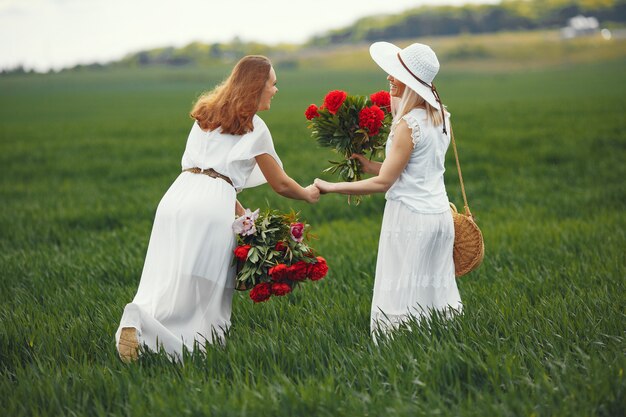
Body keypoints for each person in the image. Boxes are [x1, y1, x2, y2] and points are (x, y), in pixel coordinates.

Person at [116, 55, 320, 362]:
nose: (276, 91)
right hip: (210, 207)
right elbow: (280, 184)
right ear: (257, 86)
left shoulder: (205, 114)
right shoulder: (254, 127)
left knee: (168, 276)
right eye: (273, 84)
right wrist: (307, 194)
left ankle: (137, 321)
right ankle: (191, 352)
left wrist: (240, 213)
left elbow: (210, 172)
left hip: (176, 198)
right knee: (206, 293)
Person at [314, 42, 462, 340]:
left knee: (400, 294)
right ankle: (439, 348)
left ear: (409, 81)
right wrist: (369, 164)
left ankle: (396, 352)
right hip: (439, 218)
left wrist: (330, 186)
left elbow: (386, 182)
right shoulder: (440, 116)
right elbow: (413, 169)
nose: (389, 78)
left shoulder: (408, 123)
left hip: (410, 219)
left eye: (395, 74)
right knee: (434, 293)